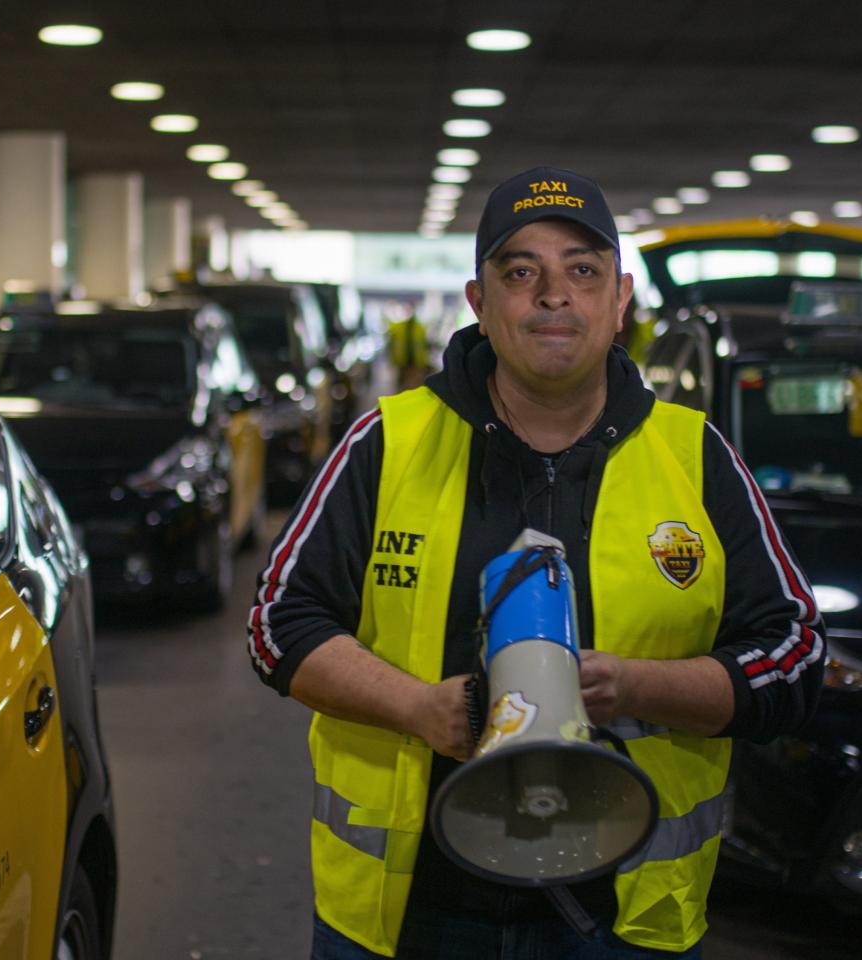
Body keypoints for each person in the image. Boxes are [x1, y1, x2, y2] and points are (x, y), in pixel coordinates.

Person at [248, 166, 824, 959]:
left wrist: (640, 686)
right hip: (407, 916)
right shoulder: (389, 443)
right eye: (521, 271)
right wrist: (417, 707)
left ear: (620, 301)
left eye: (582, 271)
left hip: (624, 917)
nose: (554, 294)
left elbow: (794, 657)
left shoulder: (695, 457)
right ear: (480, 304)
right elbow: (278, 623)